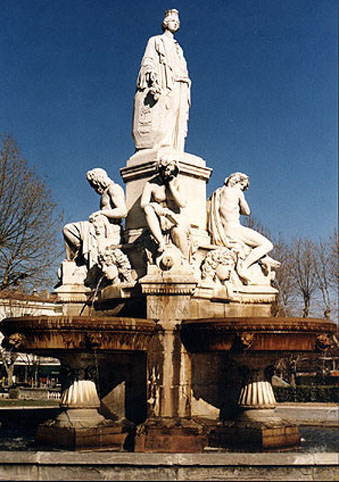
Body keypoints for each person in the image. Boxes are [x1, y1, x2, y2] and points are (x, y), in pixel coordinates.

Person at [132, 9, 191, 152]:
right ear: (165, 23)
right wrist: (151, 73)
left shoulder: (178, 48)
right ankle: (162, 144)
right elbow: (148, 59)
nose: (176, 24)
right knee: (166, 111)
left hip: (180, 83)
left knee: (178, 113)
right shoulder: (155, 40)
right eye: (173, 21)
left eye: (178, 22)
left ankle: (174, 147)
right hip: (166, 84)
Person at [208, 172, 278, 283]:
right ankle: (243, 267)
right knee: (267, 245)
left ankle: (263, 258)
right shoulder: (237, 192)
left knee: (250, 247)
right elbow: (247, 211)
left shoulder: (218, 193)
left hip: (224, 231)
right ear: (237, 181)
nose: (243, 188)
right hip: (235, 229)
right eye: (243, 185)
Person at [63, 168, 127, 269]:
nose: (94, 187)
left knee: (68, 229)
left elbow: (123, 211)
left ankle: (82, 253)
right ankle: (79, 255)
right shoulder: (105, 192)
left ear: (99, 179)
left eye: (94, 184)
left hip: (109, 229)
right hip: (99, 227)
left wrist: (101, 213)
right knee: (68, 229)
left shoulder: (114, 188)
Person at [140, 156, 190, 257]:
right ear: (161, 168)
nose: (169, 173)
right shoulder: (151, 184)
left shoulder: (177, 182)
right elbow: (143, 204)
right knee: (148, 209)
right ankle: (161, 242)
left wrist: (171, 185)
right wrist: (156, 206)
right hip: (160, 217)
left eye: (171, 170)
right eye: (167, 170)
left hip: (175, 217)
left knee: (178, 232)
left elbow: (182, 203)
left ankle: (185, 261)